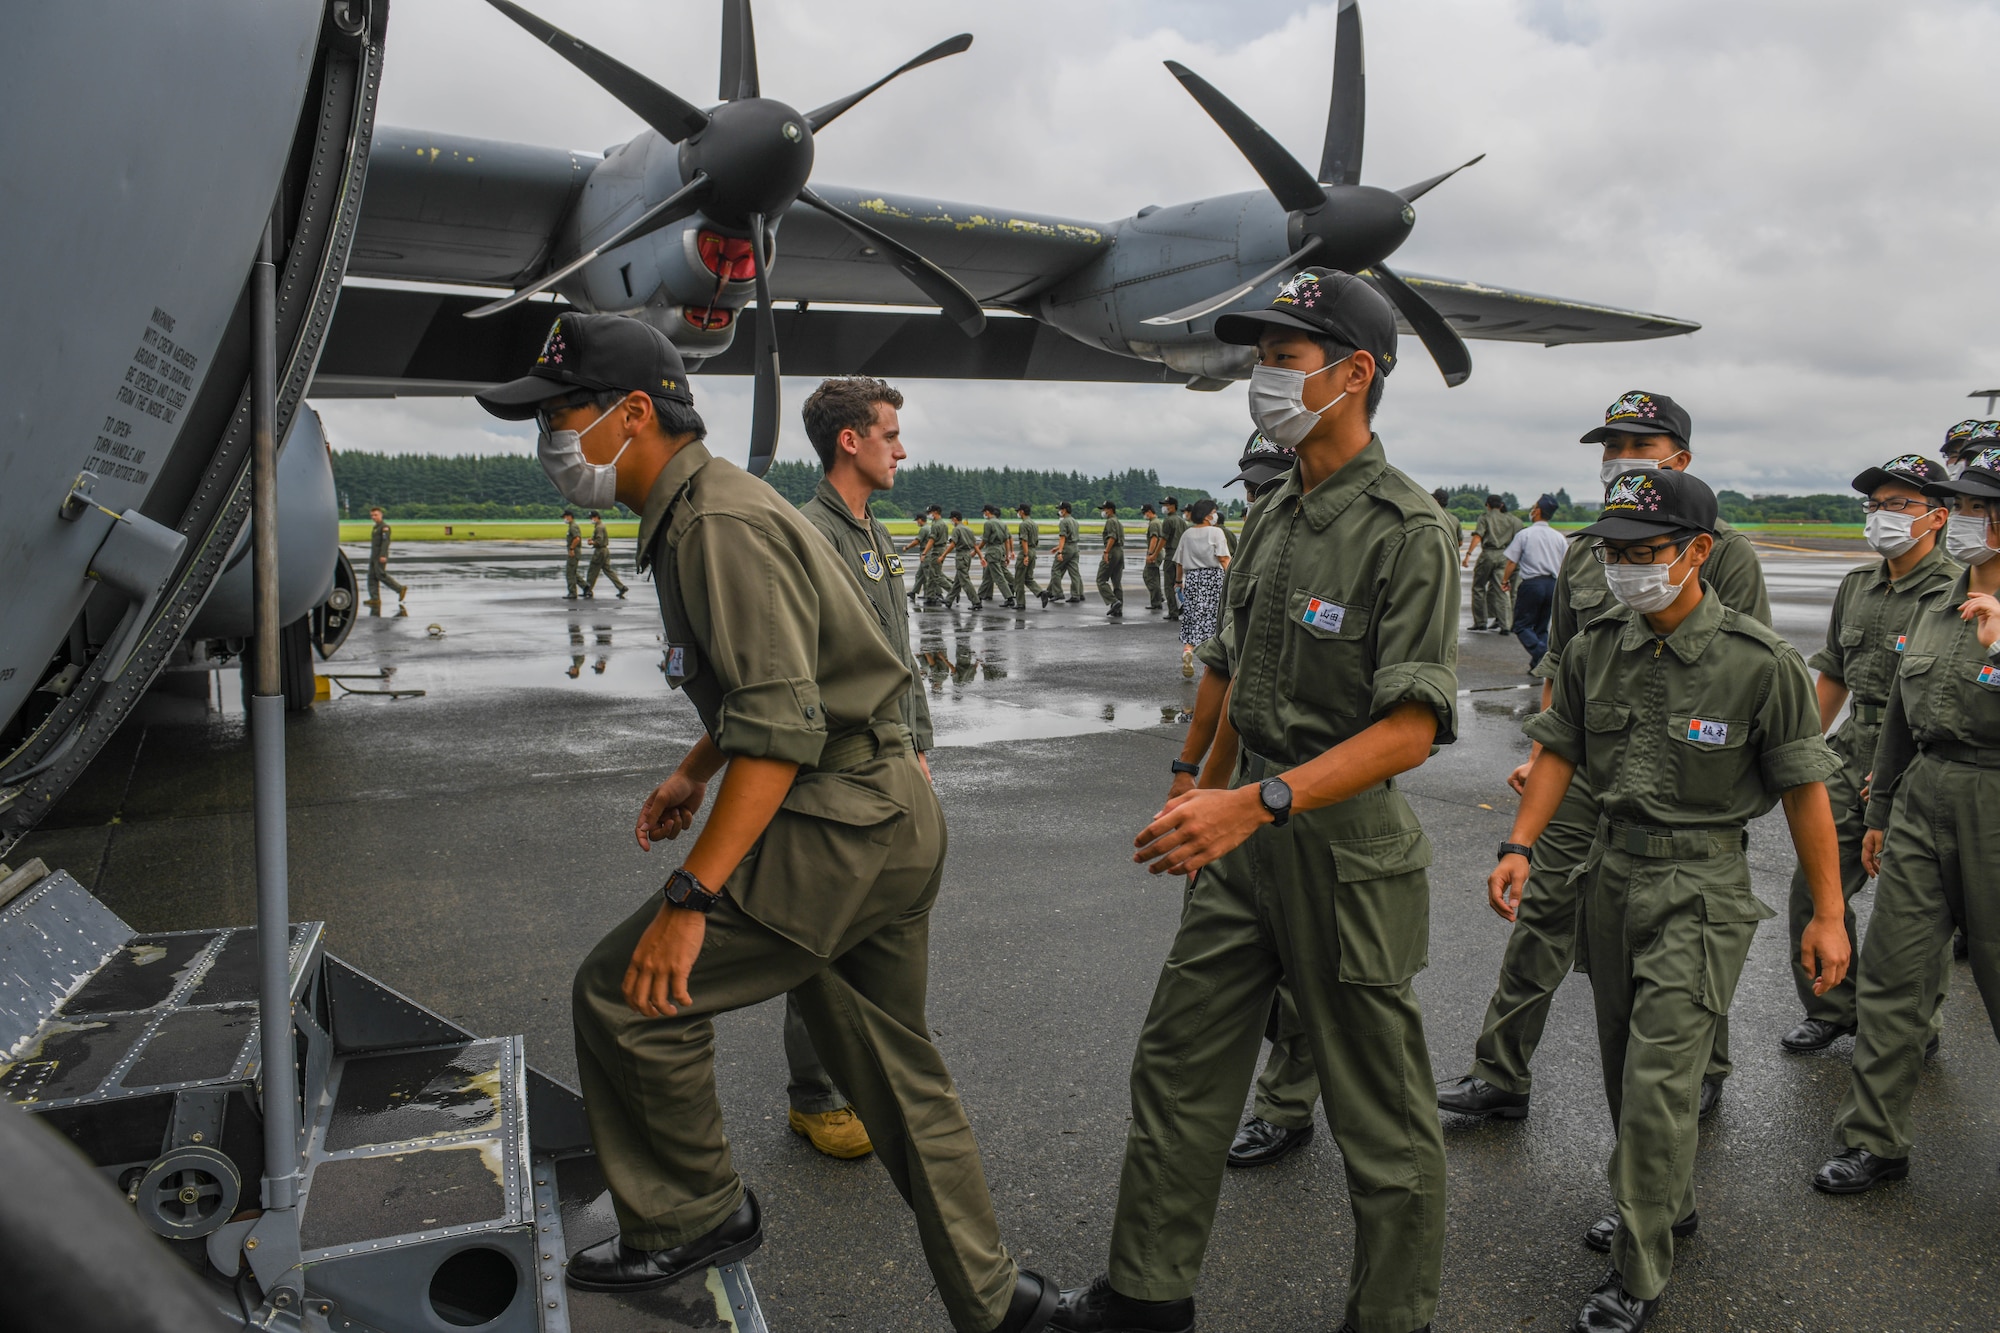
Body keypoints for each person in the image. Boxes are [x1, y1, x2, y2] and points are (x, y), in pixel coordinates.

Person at [474, 312, 1057, 1331]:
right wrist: (695, 768)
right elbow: (789, 680)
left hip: (843, 818)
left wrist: (691, 896)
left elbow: (783, 731)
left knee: (625, 994)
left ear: (633, 413)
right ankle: (1003, 1301)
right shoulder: (713, 508)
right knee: (896, 1073)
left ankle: (691, 1216)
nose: (552, 438)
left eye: (563, 414)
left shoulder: (717, 525)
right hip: (883, 809)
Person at [1055, 267, 1456, 1333]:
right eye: (1262, 357)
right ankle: (1144, 1297)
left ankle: (1389, 1317)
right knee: (1179, 1065)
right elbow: (1231, 667)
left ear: (1352, 374)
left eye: (1283, 356)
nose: (1261, 376)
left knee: (1381, 1117)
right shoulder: (1274, 510)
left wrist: (1256, 800)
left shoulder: (1404, 529)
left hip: (1341, 846)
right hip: (1244, 834)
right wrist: (1196, 777)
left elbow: (1408, 728)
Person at [1495, 466, 1845, 1332]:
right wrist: (1518, 844)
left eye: (1644, 552)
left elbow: (1805, 793)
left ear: (1698, 552)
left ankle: (1639, 1265)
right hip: (1610, 876)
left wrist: (1831, 913)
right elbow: (1560, 752)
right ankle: (1667, 1198)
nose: (1624, 567)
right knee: (1620, 1063)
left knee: (1659, 1080)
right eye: (1612, 550)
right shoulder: (1594, 647)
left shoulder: (1760, 666)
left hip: (1702, 886)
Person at [1439, 390, 1771, 1127]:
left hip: (1680, 780)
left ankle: (1701, 1066)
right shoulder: (1594, 550)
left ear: (1679, 458)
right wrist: (1541, 750)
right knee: (1543, 908)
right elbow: (1564, 660)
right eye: (1609, 448)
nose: (1618, 459)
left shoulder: (1727, 553)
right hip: (1585, 766)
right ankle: (1500, 1071)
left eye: (1636, 446)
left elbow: (1740, 676)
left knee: (1681, 938)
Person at [1816, 443, 2000, 1195]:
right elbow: (1898, 714)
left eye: (1974, 507)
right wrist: (1883, 807)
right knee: (1893, 975)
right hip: (1924, 792)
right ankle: (1874, 1139)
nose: (1959, 518)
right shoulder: (1933, 599)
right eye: (1956, 504)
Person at [789, 376, 948, 1161]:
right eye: (890, 434)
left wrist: (918, 742)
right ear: (849, 441)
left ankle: (866, 1080)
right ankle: (815, 1097)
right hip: (837, 767)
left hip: (891, 760)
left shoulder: (873, 534)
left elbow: (901, 656)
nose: (902, 448)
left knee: (880, 927)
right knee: (821, 936)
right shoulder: (806, 535)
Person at [1779, 455, 1957, 1055]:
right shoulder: (1857, 585)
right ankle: (1833, 1008)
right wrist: (1803, 750)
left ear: (1936, 515)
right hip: (1853, 746)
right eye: (1874, 505)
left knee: (1914, 913)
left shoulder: (1954, 591)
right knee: (1814, 884)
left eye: (1897, 504)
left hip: (1917, 753)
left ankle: (1911, 1027)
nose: (1880, 516)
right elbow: (1833, 675)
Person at [1503, 494, 1569, 670]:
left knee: (1521, 625)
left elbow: (1512, 561)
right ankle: (1537, 666)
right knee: (1541, 627)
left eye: (1533, 508)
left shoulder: (1525, 534)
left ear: (1537, 511)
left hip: (1532, 584)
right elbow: (1565, 565)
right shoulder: (1559, 537)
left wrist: (1504, 580)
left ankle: (1543, 654)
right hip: (1552, 585)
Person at [1172, 500, 1230, 678]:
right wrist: (1232, 578)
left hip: (1193, 579)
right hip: (1213, 578)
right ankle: (1211, 662)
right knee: (1214, 618)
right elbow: (1223, 559)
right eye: (1213, 512)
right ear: (1206, 515)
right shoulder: (1216, 532)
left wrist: (1178, 581)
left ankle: (1188, 650)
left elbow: (1179, 562)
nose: (1215, 515)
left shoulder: (1187, 534)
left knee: (1193, 617)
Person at [1465, 494, 1521, 632]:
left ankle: (1480, 621)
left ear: (1487, 505)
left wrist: (1468, 554)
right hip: (1504, 555)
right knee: (1502, 589)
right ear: (1501, 505)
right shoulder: (1511, 519)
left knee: (1478, 587)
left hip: (1488, 554)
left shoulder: (1485, 517)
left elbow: (1478, 536)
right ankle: (1505, 624)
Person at [365, 506, 406, 608]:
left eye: (376, 515)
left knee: (380, 575)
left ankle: (399, 589)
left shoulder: (384, 527)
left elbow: (385, 542)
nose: (373, 517)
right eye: (372, 515)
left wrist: (383, 555)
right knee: (371, 576)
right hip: (374, 555)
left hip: (380, 555)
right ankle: (375, 598)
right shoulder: (376, 527)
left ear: (381, 515)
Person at [978, 504, 1016, 608]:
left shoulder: (988, 523)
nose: (984, 514)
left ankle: (1009, 598)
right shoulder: (1002, 524)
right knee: (987, 576)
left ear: (987, 512)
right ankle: (978, 599)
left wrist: (976, 550)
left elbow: (984, 540)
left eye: (984, 512)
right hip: (1000, 550)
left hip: (992, 551)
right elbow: (1006, 540)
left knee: (998, 577)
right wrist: (1007, 555)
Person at [587, 510, 629, 598]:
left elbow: (599, 541)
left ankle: (588, 589)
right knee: (608, 570)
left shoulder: (599, 527)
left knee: (593, 570)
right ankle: (621, 587)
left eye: (592, 518)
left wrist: (592, 542)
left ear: (596, 517)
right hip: (605, 550)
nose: (591, 519)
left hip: (600, 551)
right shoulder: (601, 526)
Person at [1048, 502, 1083, 603]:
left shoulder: (1063, 522)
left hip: (1067, 548)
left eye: (1060, 509)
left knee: (1055, 570)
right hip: (1075, 548)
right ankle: (1077, 594)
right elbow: (1071, 538)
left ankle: (1058, 593)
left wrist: (1059, 552)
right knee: (1074, 572)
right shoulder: (1075, 521)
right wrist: (1057, 547)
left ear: (1065, 510)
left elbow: (1063, 537)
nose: (1059, 511)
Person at [1014, 503, 1046, 609]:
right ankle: (1041, 593)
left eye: (1018, 511)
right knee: (1028, 578)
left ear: (1022, 512)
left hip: (1026, 551)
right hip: (1033, 550)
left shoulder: (1024, 524)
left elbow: (1024, 540)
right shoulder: (1033, 523)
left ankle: (1020, 603)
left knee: (1019, 579)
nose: (1018, 513)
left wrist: (1025, 555)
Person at [1096, 501, 1126, 618]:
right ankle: (1118, 609)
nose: (1103, 512)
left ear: (1110, 510)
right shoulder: (1118, 522)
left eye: (1104, 509)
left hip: (1112, 551)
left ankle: (1114, 601)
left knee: (1101, 580)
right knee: (1116, 582)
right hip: (1120, 552)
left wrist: (1106, 551)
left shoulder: (1110, 521)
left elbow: (1112, 537)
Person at [1160, 497, 1187, 620]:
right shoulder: (1182, 521)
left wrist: (1154, 553)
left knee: (1168, 585)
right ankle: (1183, 605)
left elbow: (1163, 539)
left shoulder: (1168, 521)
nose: (1165, 507)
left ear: (1174, 506)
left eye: (1167, 505)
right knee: (1179, 582)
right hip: (1181, 555)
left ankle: (1173, 611)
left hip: (1171, 554)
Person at [946, 511, 980, 608]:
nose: (951, 521)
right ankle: (949, 600)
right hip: (968, 555)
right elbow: (975, 545)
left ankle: (976, 601)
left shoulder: (957, 530)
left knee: (964, 580)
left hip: (961, 555)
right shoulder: (968, 529)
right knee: (958, 580)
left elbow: (953, 544)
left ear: (955, 518)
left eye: (951, 518)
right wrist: (981, 556)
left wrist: (943, 555)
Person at [1140, 504, 1165, 610]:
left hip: (1155, 553)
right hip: (1158, 553)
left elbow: (1154, 539)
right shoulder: (1157, 521)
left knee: (1149, 576)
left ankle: (1156, 600)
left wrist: (1150, 554)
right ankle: (1158, 597)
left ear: (1149, 511)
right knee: (1154, 577)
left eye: (1144, 513)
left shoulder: (1154, 523)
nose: (1144, 515)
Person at [564, 508, 584, 599]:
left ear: (569, 516)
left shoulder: (573, 526)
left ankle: (572, 592)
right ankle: (585, 587)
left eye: (565, 517)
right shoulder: (572, 525)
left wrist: (571, 549)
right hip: (574, 551)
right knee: (573, 572)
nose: (564, 519)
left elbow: (577, 538)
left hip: (574, 552)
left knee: (570, 572)